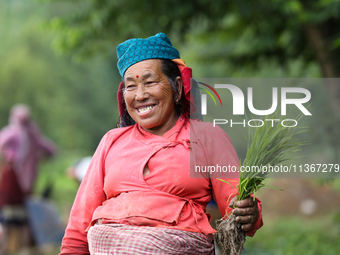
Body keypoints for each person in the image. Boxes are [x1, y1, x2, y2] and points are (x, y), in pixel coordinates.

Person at [60, 33, 263, 255]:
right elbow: (79, 227)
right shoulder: (111, 141)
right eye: (131, 86)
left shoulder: (207, 137)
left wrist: (248, 213)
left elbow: (236, 206)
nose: (140, 95)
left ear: (177, 86)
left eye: (150, 82)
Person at [0, 104, 56, 254]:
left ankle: (5, 249)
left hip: (12, 178)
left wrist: (8, 156)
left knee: (8, 216)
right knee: (24, 216)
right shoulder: (34, 133)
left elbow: (2, 143)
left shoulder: (11, 133)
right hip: (28, 182)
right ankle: (22, 250)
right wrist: (37, 159)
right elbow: (51, 150)